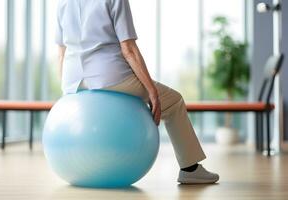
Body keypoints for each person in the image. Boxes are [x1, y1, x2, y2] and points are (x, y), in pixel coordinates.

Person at [55, 0, 219, 184]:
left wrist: (66, 94)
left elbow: (61, 53)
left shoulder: (63, 3)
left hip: (73, 80)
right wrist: (152, 91)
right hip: (109, 76)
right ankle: (191, 169)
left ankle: (85, 165)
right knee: (174, 101)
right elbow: (129, 50)